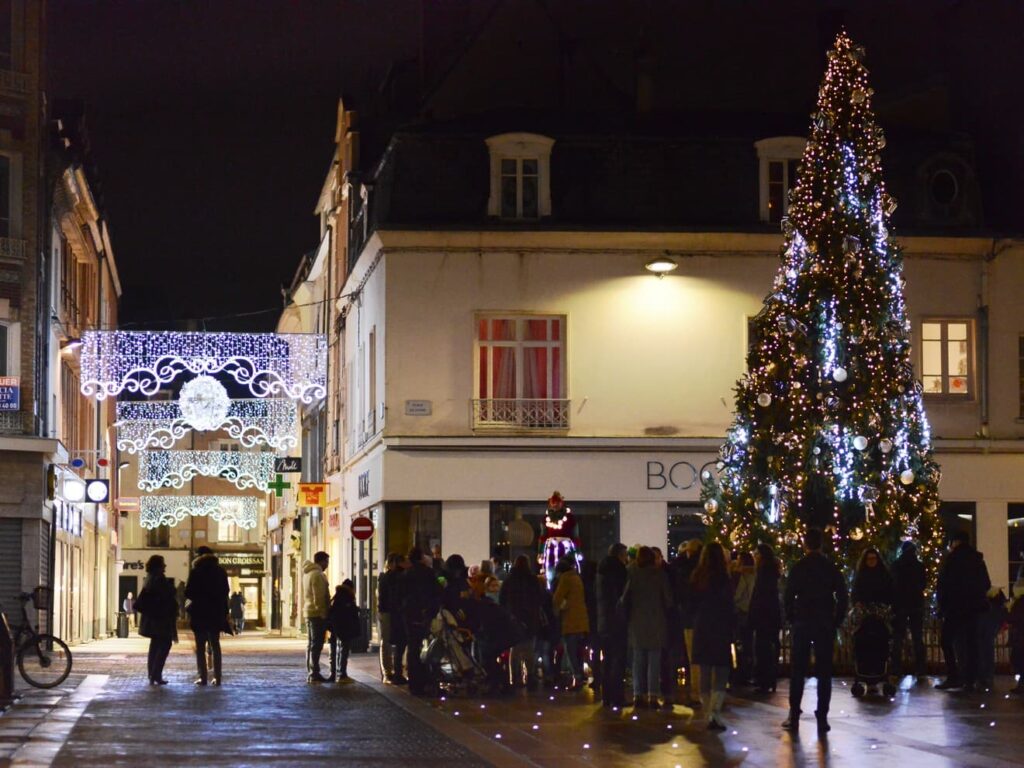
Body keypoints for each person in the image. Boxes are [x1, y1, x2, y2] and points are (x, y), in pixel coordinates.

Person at [782, 528, 848, 734]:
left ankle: (794, 714)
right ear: (821, 544)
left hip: (803, 622)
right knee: (824, 672)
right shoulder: (829, 567)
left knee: (797, 670)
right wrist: (836, 620)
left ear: (805, 544)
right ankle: (822, 715)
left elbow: (788, 595)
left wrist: (792, 617)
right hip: (824, 623)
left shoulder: (799, 567)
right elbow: (843, 595)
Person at [935, 530, 991, 691]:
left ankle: (954, 675)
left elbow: (943, 584)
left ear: (955, 542)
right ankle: (970, 678)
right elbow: (986, 583)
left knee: (947, 641)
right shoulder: (977, 560)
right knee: (971, 642)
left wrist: (942, 605)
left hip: (954, 607)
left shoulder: (951, 559)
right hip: (974, 607)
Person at [620, 546, 673, 708]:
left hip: (637, 622)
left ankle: (638, 694)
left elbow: (624, 599)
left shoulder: (632, 574)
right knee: (654, 660)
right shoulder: (660, 575)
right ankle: (653, 695)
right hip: (657, 622)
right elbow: (668, 600)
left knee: (638, 660)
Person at [691, 542, 734, 730]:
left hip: (702, 626)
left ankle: (707, 710)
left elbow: (690, 601)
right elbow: (728, 604)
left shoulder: (697, 576)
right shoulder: (724, 577)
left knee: (705, 670)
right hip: (720, 626)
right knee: (722, 669)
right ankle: (715, 711)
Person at [185, 546, 230, 686]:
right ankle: (217, 677)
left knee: (200, 646)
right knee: (215, 645)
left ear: (199, 556)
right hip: (216, 613)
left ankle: (202, 676)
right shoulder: (220, 571)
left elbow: (188, 592)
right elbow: (225, 592)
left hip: (200, 612)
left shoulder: (196, 571)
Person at [401, 546, 443, 696]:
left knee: (413, 647)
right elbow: (438, 591)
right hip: (426, 614)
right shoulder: (429, 573)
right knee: (427, 646)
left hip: (410, 614)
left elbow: (402, 595)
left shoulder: (406, 574)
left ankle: (414, 682)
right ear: (420, 557)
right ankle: (426, 679)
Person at [499, 555, 546, 689]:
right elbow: (540, 598)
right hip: (530, 619)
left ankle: (514, 677)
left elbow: (502, 600)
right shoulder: (532, 580)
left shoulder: (509, 580)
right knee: (529, 649)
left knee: (515, 649)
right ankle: (530, 676)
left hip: (514, 619)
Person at [135, 555, 178, 685]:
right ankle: (155, 674)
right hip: (160, 618)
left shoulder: (149, 578)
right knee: (165, 644)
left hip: (153, 618)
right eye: (163, 564)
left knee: (155, 646)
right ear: (158, 566)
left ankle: (153, 674)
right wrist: (173, 590)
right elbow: (165, 595)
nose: (165, 566)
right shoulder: (158, 579)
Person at [596, 543, 629, 708]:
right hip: (617, 621)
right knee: (618, 659)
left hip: (604, 621)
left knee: (607, 659)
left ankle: (606, 696)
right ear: (620, 555)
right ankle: (617, 696)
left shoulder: (601, 572)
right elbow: (623, 597)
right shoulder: (620, 572)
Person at [890, 541, 928, 680]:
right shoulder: (919, 566)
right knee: (917, 637)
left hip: (900, 605)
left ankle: (896, 668)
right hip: (916, 605)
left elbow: (892, 584)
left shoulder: (896, 565)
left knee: (898, 637)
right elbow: (923, 584)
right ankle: (920, 668)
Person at [552, 556, 590, 690]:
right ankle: (581, 676)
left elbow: (556, 598)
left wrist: (561, 607)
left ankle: (577, 678)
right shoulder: (576, 577)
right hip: (582, 621)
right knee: (578, 651)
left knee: (570, 651)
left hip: (570, 621)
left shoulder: (565, 579)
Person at [749, 543, 782, 693]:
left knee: (762, 648)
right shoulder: (772, 572)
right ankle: (769, 678)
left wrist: (753, 614)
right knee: (770, 647)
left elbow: (759, 596)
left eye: (756, 555)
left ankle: (764, 680)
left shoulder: (763, 573)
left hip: (763, 616)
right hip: (772, 616)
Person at [677, 539, 703, 707]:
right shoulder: (706, 570)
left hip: (689, 618)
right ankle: (707, 692)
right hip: (706, 619)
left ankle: (696, 693)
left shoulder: (684, 569)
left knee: (694, 658)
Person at [378, 552, 408, 684]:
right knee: (388, 642)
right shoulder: (388, 577)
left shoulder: (387, 577)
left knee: (389, 642)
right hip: (388, 612)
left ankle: (389, 672)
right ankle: (388, 672)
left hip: (388, 612)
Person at [302, 551, 331, 683]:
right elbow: (318, 596)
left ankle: (311, 671)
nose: (327, 565)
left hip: (309, 612)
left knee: (311, 643)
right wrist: (323, 613)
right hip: (316, 613)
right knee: (316, 644)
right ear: (322, 561)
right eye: (326, 562)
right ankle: (314, 673)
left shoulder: (307, 574)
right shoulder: (317, 575)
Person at [328, 580, 361, 683]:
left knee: (334, 650)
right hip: (344, 627)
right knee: (344, 650)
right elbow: (349, 614)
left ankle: (333, 674)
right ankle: (342, 674)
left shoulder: (337, 596)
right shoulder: (347, 597)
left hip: (334, 627)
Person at [731, 551, 756, 685]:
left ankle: (741, 672)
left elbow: (739, 594)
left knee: (740, 642)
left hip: (741, 611)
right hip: (751, 611)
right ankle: (749, 670)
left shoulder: (742, 576)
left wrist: (734, 603)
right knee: (749, 643)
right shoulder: (755, 574)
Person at [977, 587, 1008, 691]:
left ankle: (983, 676)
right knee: (987, 649)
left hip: (984, 627)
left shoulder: (986, 606)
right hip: (990, 627)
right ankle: (987, 676)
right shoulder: (998, 608)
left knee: (982, 649)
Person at [1009, 576, 1024, 694]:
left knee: (1019, 660)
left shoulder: (1018, 602)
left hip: (1020, 637)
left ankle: (1021, 685)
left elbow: (1012, 618)